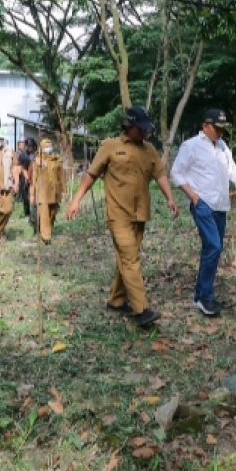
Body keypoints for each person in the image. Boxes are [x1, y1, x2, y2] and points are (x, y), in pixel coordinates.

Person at [67, 106, 178, 327]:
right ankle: (141, 309)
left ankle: (116, 301)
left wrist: (170, 198)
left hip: (140, 213)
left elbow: (160, 174)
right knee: (130, 258)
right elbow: (91, 175)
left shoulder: (149, 150)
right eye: (141, 129)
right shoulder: (110, 147)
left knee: (128, 257)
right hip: (118, 214)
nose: (145, 133)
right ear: (129, 126)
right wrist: (76, 200)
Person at [171, 108, 236, 316]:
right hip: (202, 204)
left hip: (221, 205)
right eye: (217, 129)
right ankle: (206, 297)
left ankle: (199, 295)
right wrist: (193, 196)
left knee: (211, 248)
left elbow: (234, 172)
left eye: (223, 129)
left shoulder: (223, 147)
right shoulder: (191, 146)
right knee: (214, 245)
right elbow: (176, 173)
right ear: (205, 126)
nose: (220, 133)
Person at [31, 137, 65, 245]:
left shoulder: (57, 160)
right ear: (41, 148)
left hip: (54, 191)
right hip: (42, 192)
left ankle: (48, 229)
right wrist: (32, 193)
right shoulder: (37, 161)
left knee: (52, 213)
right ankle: (46, 237)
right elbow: (33, 179)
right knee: (44, 214)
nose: (48, 148)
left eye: (49, 146)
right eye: (45, 146)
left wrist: (64, 190)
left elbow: (62, 176)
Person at [13, 139, 33, 218]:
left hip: (32, 176)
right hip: (22, 176)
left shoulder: (32, 154)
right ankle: (27, 213)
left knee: (32, 195)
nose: (22, 146)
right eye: (20, 145)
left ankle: (34, 212)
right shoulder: (19, 155)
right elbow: (17, 167)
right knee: (25, 196)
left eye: (23, 145)